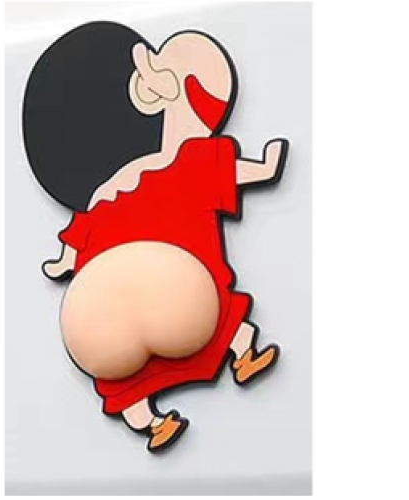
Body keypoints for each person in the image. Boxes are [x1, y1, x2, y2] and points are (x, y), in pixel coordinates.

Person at [42, 31, 289, 452]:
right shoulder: (130, 192)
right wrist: (65, 261)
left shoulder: (181, 169)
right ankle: (163, 416)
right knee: (148, 362)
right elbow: (76, 236)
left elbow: (230, 171)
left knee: (213, 327)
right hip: (115, 324)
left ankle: (235, 362)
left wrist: (264, 169)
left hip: (168, 307)